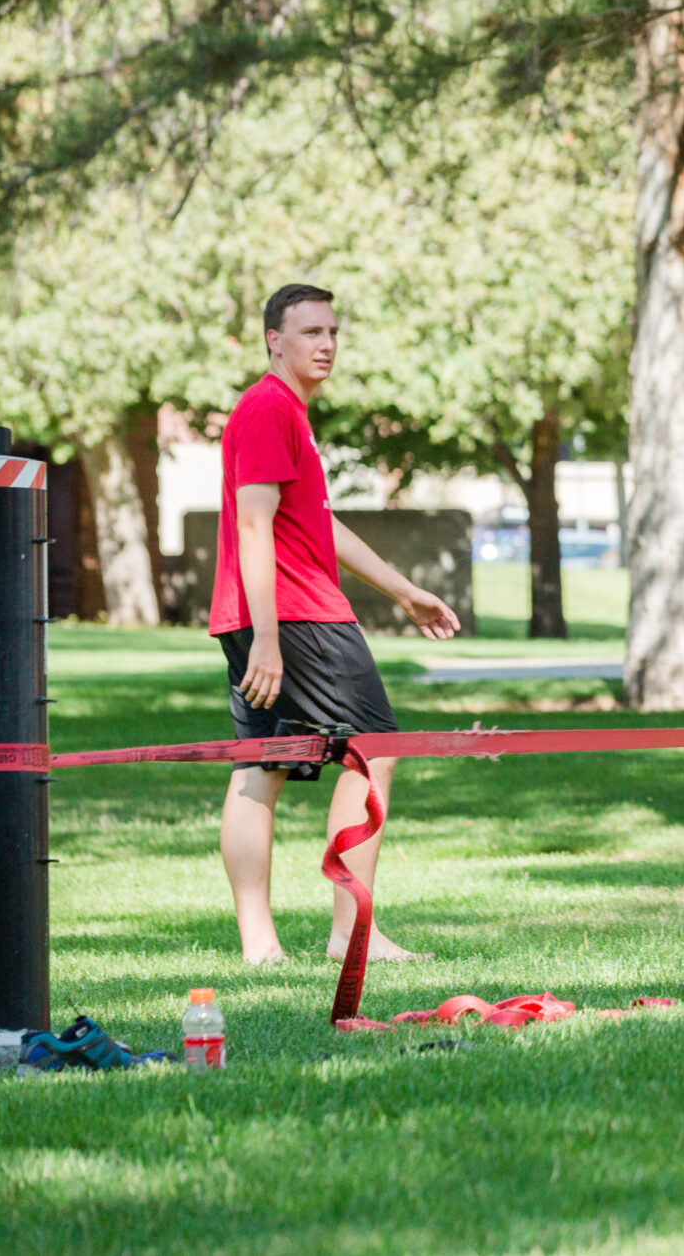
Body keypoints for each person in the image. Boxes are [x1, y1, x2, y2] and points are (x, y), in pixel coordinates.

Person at [214, 283, 461, 965]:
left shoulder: (284, 412)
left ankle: (260, 947)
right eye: (309, 332)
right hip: (293, 615)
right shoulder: (269, 407)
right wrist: (268, 635)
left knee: (260, 768)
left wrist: (405, 590)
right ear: (275, 339)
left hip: (266, 613)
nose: (325, 345)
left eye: (332, 332)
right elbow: (254, 522)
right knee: (373, 748)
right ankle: (353, 933)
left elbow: (316, 521)